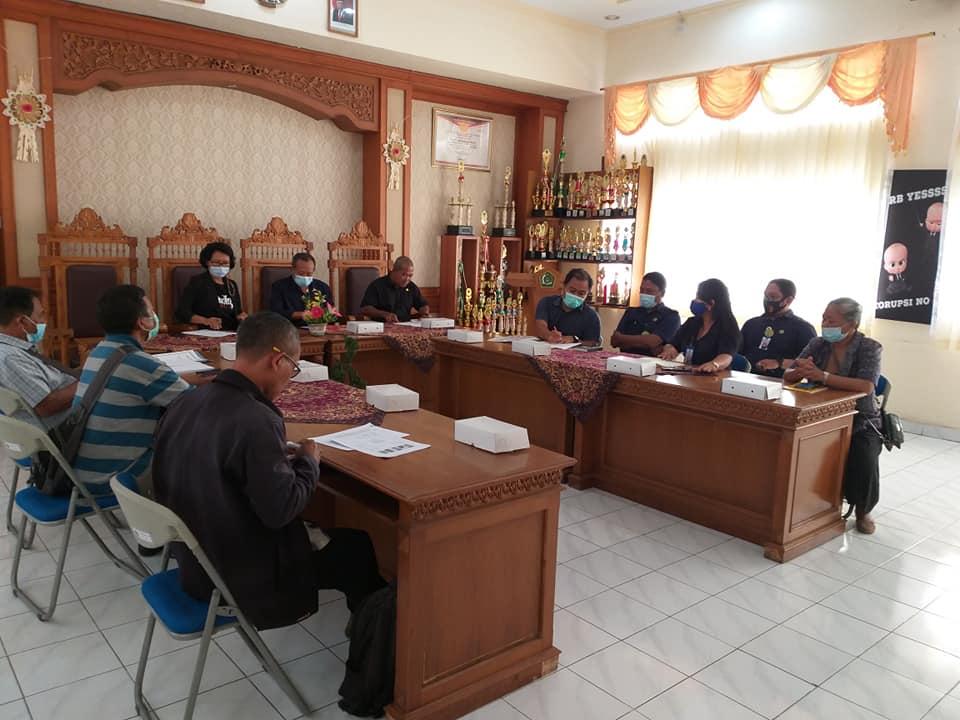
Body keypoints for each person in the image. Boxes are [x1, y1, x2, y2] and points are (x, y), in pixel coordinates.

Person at [152, 311, 385, 629]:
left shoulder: (185, 401)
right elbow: (282, 510)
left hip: (193, 561)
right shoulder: (256, 418)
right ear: (278, 360)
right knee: (356, 547)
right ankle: (370, 645)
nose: (291, 378)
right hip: (238, 575)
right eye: (294, 367)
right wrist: (308, 462)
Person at [73, 285, 192, 489]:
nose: (155, 316)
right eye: (152, 311)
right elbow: (197, 405)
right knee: (201, 437)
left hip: (79, 471)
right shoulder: (141, 364)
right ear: (143, 322)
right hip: (112, 478)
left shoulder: (97, 352)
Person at [784, 298, 882, 534]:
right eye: (824, 318)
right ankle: (808, 507)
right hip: (818, 414)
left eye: (831, 320)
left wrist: (822, 376)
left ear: (852, 324)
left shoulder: (870, 347)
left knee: (864, 457)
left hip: (861, 419)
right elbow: (788, 375)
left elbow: (866, 386)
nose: (825, 323)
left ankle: (863, 509)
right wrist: (799, 371)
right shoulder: (818, 344)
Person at [0, 286, 77, 429]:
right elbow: (46, 406)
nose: (44, 321)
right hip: (66, 430)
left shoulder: (19, 350)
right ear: (22, 321)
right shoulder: (9, 357)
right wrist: (92, 379)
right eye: (41, 315)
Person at [659, 278, 741, 373]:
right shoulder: (691, 322)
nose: (695, 301)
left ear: (711, 303)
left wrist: (714, 364)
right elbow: (673, 344)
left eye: (698, 297)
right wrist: (670, 350)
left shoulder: (728, 327)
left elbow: (727, 356)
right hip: (688, 375)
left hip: (714, 377)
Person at [740, 279, 816, 378]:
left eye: (773, 297)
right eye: (766, 296)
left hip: (781, 385)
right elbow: (735, 354)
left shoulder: (803, 328)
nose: (767, 300)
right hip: (744, 380)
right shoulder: (751, 324)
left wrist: (779, 363)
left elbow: (810, 364)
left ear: (788, 300)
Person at [175, 242, 247, 331]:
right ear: (207, 262)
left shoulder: (232, 285)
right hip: (206, 332)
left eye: (225, 263)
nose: (221, 266)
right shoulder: (197, 282)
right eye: (216, 262)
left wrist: (242, 317)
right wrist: (206, 321)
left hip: (231, 332)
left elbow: (238, 312)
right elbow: (182, 312)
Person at [610, 272, 680, 356]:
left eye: (649, 291)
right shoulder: (631, 311)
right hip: (625, 361)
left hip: (653, 364)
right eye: (642, 290)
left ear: (662, 293)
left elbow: (652, 342)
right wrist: (645, 343)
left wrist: (622, 339)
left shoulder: (671, 316)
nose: (644, 294)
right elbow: (614, 341)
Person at [534, 269, 602, 345]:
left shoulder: (591, 316)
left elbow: (593, 343)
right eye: (572, 291)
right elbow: (540, 327)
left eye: (581, 293)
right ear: (564, 287)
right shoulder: (546, 303)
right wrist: (549, 335)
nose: (575, 296)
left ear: (587, 294)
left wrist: (574, 340)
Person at [269, 252, 335, 327]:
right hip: (291, 329)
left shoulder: (322, 287)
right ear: (292, 269)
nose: (305, 277)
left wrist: (326, 313)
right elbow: (275, 312)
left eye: (309, 274)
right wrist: (300, 315)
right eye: (301, 273)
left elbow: (331, 310)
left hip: (319, 329)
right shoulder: (279, 286)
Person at [360, 257, 430, 323]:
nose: (407, 279)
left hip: (406, 326)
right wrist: (385, 314)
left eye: (410, 275)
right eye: (403, 275)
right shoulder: (377, 285)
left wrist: (425, 312)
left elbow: (423, 305)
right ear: (394, 271)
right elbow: (365, 309)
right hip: (382, 326)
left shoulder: (411, 287)